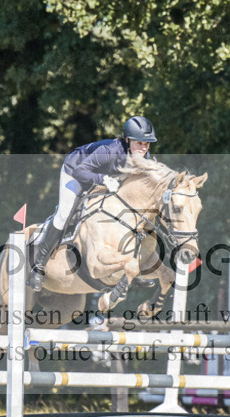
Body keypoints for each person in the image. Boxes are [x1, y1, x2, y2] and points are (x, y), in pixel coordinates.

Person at [27, 115, 157, 291]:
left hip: (103, 179)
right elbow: (82, 171)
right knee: (65, 212)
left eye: (147, 144)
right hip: (76, 171)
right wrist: (103, 179)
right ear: (127, 140)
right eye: (139, 143)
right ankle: (39, 267)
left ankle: (134, 268)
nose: (143, 148)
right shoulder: (109, 151)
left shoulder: (145, 157)